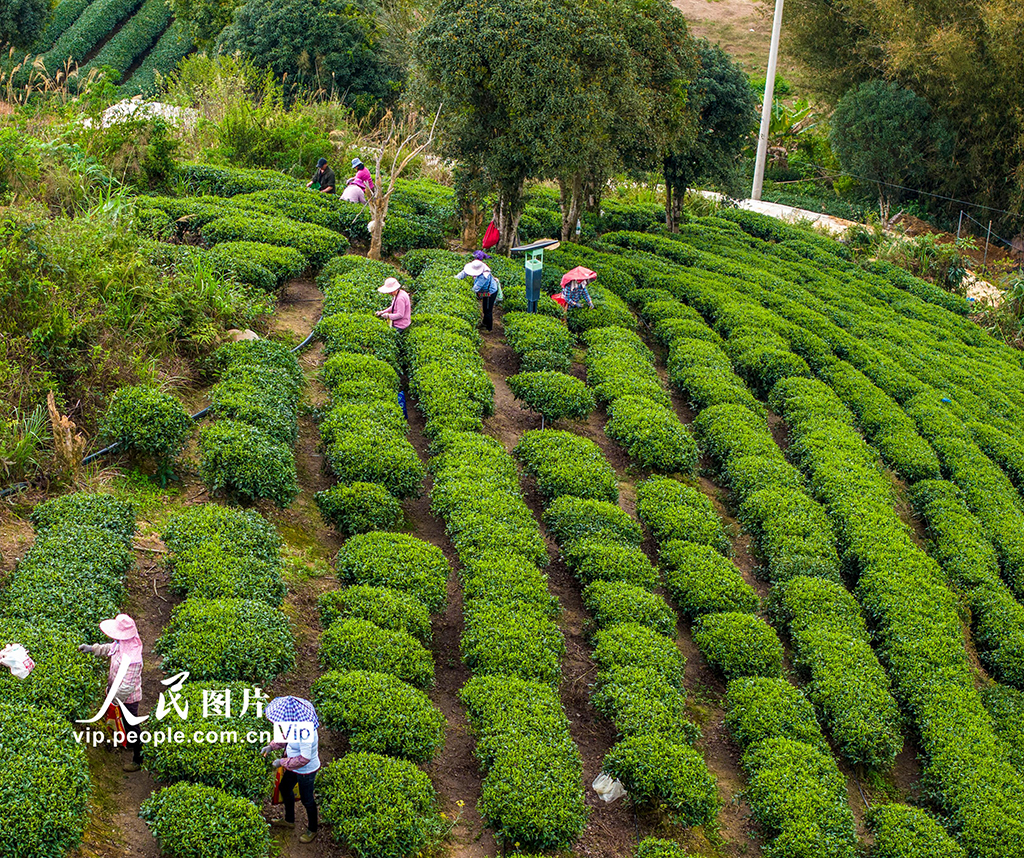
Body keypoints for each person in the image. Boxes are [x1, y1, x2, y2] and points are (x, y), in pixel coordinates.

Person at [78, 613, 144, 772]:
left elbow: (127, 687)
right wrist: (92, 648)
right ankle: (128, 742)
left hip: (127, 698)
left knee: (131, 725)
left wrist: (113, 700)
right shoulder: (121, 643)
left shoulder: (133, 658)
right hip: (116, 693)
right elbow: (110, 648)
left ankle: (138, 758)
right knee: (122, 722)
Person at [262, 696, 320, 844]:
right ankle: (289, 820)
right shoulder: (295, 724)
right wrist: (271, 746)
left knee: (307, 800)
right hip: (293, 766)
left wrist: (281, 762)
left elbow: (304, 758)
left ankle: (312, 829)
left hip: (306, 771)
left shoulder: (306, 732)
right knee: (284, 788)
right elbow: (286, 737)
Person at [456, 259, 501, 331]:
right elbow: (464, 273)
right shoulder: (476, 268)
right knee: (485, 307)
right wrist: (455, 278)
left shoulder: (484, 276)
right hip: (484, 291)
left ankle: (489, 328)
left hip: (490, 292)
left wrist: (467, 293)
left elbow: (476, 288)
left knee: (487, 310)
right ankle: (484, 323)